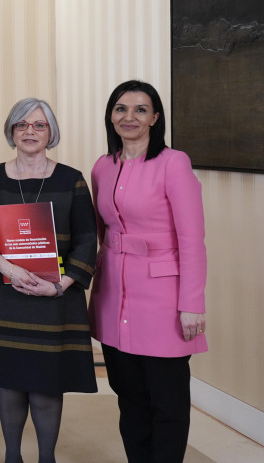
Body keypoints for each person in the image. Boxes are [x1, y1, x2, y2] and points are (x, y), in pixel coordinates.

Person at [0, 98, 98, 463]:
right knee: (8, 382)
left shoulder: (72, 179)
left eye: (39, 125)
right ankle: (12, 456)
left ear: (51, 132)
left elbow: (87, 240)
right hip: (3, 295)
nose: (30, 132)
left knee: (46, 386)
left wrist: (60, 284)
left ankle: (46, 458)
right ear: (11, 132)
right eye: (21, 125)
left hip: (55, 298)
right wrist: (8, 268)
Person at [90, 80, 207, 463]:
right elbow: (98, 232)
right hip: (114, 297)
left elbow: (192, 240)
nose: (130, 117)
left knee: (167, 404)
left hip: (163, 300)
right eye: (121, 108)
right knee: (129, 398)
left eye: (141, 109)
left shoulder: (174, 163)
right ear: (111, 116)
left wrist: (191, 303)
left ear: (156, 118)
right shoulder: (102, 167)